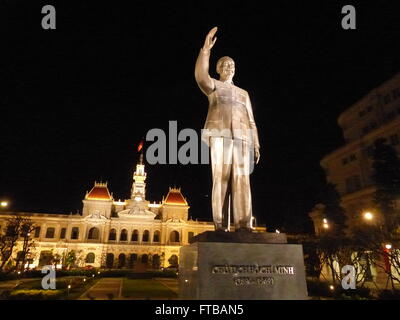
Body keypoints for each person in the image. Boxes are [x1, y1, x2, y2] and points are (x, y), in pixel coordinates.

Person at [194, 27, 260, 232]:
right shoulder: (213, 85)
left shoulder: (243, 93)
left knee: (242, 178)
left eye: (232, 65)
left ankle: (244, 224)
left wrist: (256, 144)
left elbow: (251, 121)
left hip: (242, 138)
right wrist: (205, 50)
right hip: (220, 135)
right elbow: (200, 76)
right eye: (225, 64)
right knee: (221, 177)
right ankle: (220, 225)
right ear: (219, 69)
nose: (229, 67)